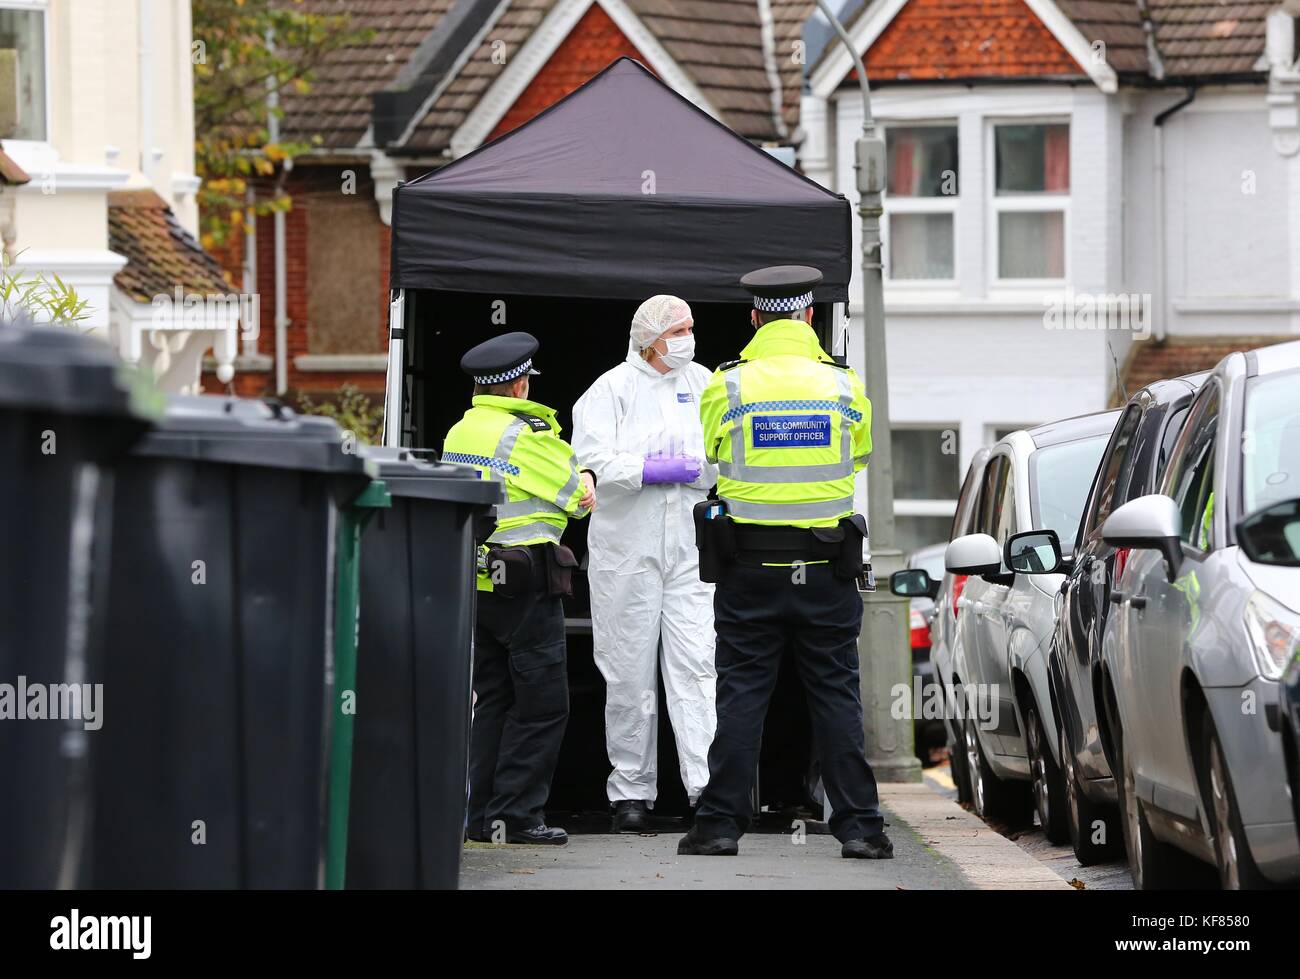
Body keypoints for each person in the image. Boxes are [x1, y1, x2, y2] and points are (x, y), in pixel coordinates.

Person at [678, 266, 893, 860]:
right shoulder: (845, 386)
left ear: (755, 318)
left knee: (742, 695)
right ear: (807, 317)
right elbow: (861, 455)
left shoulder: (728, 386)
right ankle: (861, 830)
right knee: (835, 697)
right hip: (827, 571)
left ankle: (718, 826)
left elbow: (713, 454)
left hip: (749, 571)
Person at [443, 331, 597, 846]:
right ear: (518, 387)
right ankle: (520, 815)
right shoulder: (524, 437)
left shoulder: (459, 432)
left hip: (479, 583)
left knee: (491, 701)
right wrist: (587, 478)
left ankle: (481, 816)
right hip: (526, 587)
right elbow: (578, 499)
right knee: (541, 704)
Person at [572, 296, 718, 833]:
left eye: (690, 327)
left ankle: (705, 789)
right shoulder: (610, 390)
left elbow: (724, 452)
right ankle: (631, 792)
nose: (688, 336)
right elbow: (590, 460)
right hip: (626, 550)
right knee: (628, 669)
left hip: (689, 547)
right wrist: (652, 470)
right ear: (651, 338)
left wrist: (696, 469)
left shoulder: (704, 382)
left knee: (696, 664)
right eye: (680, 329)